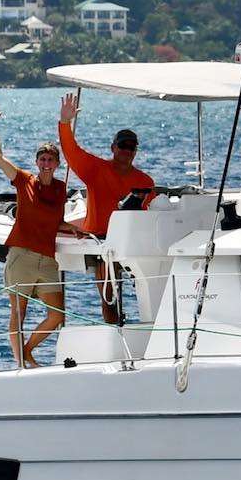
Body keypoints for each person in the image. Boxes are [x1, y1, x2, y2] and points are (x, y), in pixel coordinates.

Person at [0, 101, 71, 368]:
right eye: (42, 159)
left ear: (57, 163)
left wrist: (75, 229)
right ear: (37, 162)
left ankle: (28, 350)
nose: (46, 163)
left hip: (47, 259)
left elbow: (56, 221)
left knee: (57, 315)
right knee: (18, 312)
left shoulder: (60, 189)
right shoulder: (24, 180)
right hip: (21, 255)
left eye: (51, 160)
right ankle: (22, 361)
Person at [59, 90, 155, 325]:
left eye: (131, 147)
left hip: (133, 243)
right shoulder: (96, 169)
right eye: (123, 145)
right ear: (113, 147)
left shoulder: (146, 182)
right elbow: (72, 152)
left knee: (152, 285)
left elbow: (152, 212)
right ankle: (114, 330)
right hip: (101, 242)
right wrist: (64, 122)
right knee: (108, 297)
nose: (126, 150)